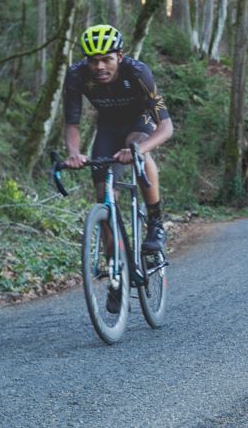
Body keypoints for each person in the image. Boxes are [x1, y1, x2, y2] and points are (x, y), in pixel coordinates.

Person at [60, 24, 174, 314]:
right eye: (93, 60)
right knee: (104, 196)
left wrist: (140, 149)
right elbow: (71, 124)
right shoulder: (76, 76)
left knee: (138, 151)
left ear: (120, 56)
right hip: (108, 128)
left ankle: (156, 223)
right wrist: (74, 153)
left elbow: (166, 127)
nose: (99, 66)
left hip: (140, 123)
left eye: (106, 59)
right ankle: (116, 273)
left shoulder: (137, 73)